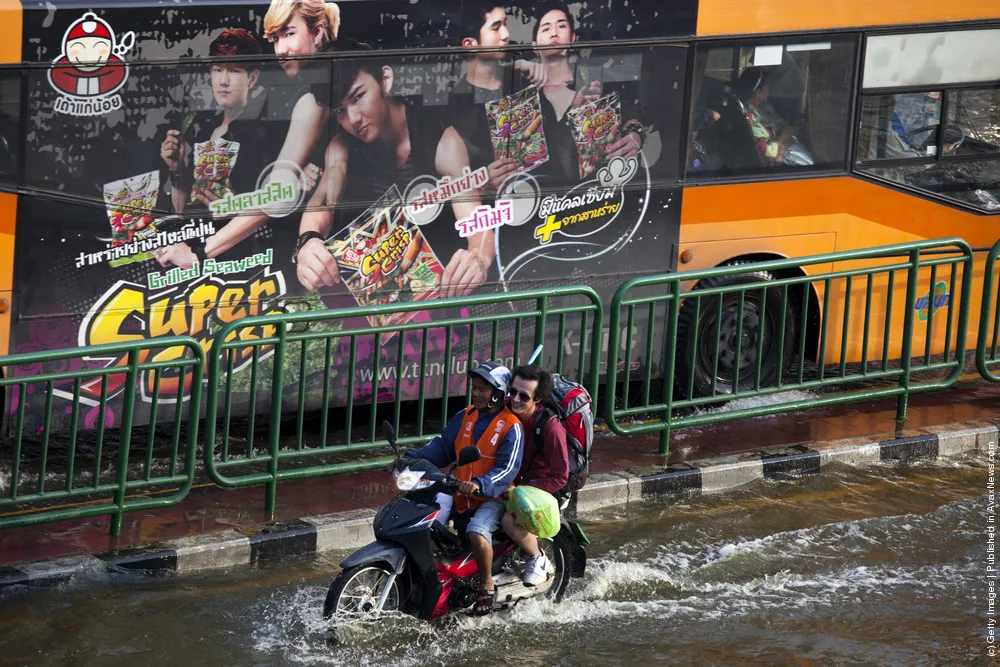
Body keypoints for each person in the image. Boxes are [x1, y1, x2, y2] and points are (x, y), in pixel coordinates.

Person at [292, 45, 495, 299]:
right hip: (380, 292)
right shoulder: (342, 147)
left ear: (385, 80)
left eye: (358, 97)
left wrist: (479, 257)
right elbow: (324, 198)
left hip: (441, 285)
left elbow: (475, 219)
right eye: (340, 111)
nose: (353, 119)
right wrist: (308, 241)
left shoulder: (439, 138)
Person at [155, 0, 335, 269]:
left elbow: (276, 199)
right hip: (201, 246)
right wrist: (178, 169)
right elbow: (184, 209)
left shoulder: (273, 126)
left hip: (244, 255)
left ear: (252, 79)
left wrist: (201, 253)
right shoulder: (203, 126)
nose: (280, 50)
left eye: (289, 34)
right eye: (275, 39)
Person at [403, 361, 524, 616]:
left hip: (493, 498)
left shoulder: (511, 425)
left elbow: (508, 469)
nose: (476, 394)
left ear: (498, 394)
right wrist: (410, 459)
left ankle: (486, 585)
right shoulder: (466, 415)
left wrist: (480, 484)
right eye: (474, 388)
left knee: (476, 532)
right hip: (459, 492)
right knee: (423, 522)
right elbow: (442, 447)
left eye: (482, 390)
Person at [530, 2, 644, 184]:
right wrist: (573, 115)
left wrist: (635, 133)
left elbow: (633, 112)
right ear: (534, 46)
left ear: (573, 38)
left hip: (603, 187)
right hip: (549, 192)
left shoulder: (595, 78)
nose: (554, 33)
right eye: (546, 28)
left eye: (561, 26)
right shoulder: (527, 98)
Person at [447, 1, 545, 192]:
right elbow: (453, 172)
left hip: (538, 189)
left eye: (505, 24)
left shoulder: (520, 79)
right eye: (495, 28)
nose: (506, 34)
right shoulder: (457, 101)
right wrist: (481, 181)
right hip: (491, 202)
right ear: (470, 45)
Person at [501, 364, 569, 586]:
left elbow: (560, 476)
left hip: (535, 489)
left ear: (537, 399)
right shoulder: (504, 411)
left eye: (524, 396)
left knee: (507, 521)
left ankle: (537, 558)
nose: (515, 399)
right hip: (507, 482)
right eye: (513, 392)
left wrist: (520, 492)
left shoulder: (550, 428)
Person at [735, 66, 813, 167]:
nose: (770, 91)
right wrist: (783, 138)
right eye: (768, 88)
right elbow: (768, 152)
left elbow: (784, 126)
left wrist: (780, 140)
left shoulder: (764, 105)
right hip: (777, 162)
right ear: (758, 92)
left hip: (787, 149)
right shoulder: (749, 117)